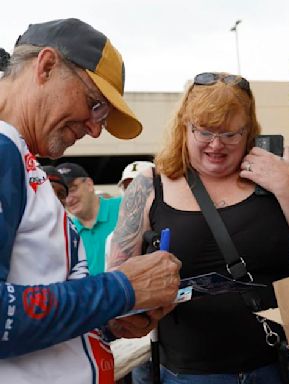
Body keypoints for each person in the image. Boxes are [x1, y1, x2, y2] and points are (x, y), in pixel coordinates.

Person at [108, 71, 289, 384]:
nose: (216, 145)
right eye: (204, 132)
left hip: (281, 365)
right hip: (188, 373)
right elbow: (119, 284)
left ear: (248, 132)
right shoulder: (150, 186)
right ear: (184, 128)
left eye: (230, 134)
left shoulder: (273, 178)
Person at [0, 18, 181, 384]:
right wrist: (120, 290)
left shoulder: (19, 157)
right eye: (95, 104)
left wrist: (107, 319)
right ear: (46, 66)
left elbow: (34, 308)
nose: (96, 128)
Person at [57, 162, 122, 275]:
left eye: (72, 189)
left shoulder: (123, 207)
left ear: (89, 184)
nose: (69, 199)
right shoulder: (67, 234)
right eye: (63, 194)